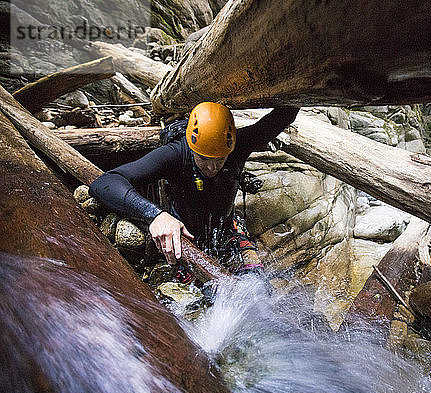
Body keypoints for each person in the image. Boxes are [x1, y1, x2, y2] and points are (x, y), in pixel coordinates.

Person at [90, 102, 299, 281]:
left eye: (220, 159)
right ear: (192, 147)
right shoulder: (175, 154)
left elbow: (285, 113)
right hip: (187, 236)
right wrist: (155, 215)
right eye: (204, 159)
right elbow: (105, 183)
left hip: (226, 231)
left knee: (257, 287)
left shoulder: (240, 145)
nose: (211, 168)